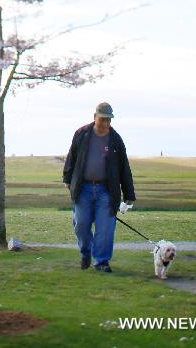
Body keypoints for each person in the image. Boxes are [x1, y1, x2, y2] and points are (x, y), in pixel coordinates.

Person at [63, 101, 136, 273]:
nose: (105, 124)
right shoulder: (81, 134)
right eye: (103, 119)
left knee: (105, 228)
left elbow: (124, 167)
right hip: (83, 189)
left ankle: (102, 261)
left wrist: (129, 193)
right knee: (81, 225)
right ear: (95, 117)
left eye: (109, 120)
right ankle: (86, 252)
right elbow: (71, 158)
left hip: (106, 190)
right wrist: (68, 179)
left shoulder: (115, 139)